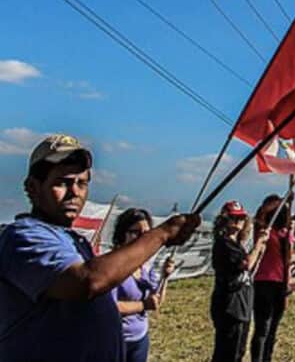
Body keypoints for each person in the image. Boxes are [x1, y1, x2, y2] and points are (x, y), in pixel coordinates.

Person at [0, 134, 198, 362]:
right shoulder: (24, 236)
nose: (75, 192)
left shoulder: (72, 240)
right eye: (62, 182)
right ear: (33, 188)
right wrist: (162, 234)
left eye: (82, 183)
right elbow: (88, 281)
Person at [112, 208, 176, 362]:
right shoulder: (112, 265)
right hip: (116, 340)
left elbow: (157, 301)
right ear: (122, 234)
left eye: (146, 233)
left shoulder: (145, 265)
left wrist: (165, 277)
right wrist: (143, 305)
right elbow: (111, 306)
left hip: (140, 339)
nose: (141, 238)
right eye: (135, 232)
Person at [210, 201, 268, 362]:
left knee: (238, 351)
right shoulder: (224, 244)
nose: (238, 222)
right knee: (228, 353)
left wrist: (260, 250)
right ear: (224, 219)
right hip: (230, 307)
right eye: (233, 218)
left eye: (241, 218)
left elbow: (249, 270)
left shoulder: (237, 245)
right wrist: (257, 245)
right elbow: (246, 264)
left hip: (242, 305)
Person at [251, 195, 291, 362]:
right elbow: (260, 214)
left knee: (273, 328)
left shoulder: (285, 233)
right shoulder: (262, 230)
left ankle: (267, 358)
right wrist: (282, 199)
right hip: (263, 281)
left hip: (280, 283)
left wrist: (288, 287)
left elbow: (288, 261)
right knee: (262, 328)